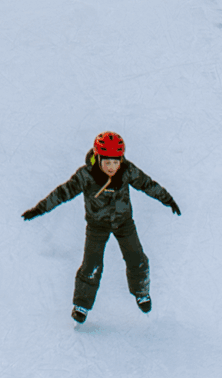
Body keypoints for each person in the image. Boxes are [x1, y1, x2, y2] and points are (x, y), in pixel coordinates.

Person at [22, 131, 180, 325]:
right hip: (97, 226)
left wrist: (167, 199)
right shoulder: (86, 176)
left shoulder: (127, 170)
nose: (112, 167)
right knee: (92, 264)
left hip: (124, 223)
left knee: (137, 258)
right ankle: (81, 305)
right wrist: (39, 209)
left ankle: (141, 292)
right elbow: (62, 193)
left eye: (116, 162)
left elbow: (147, 184)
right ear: (97, 158)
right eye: (107, 163)